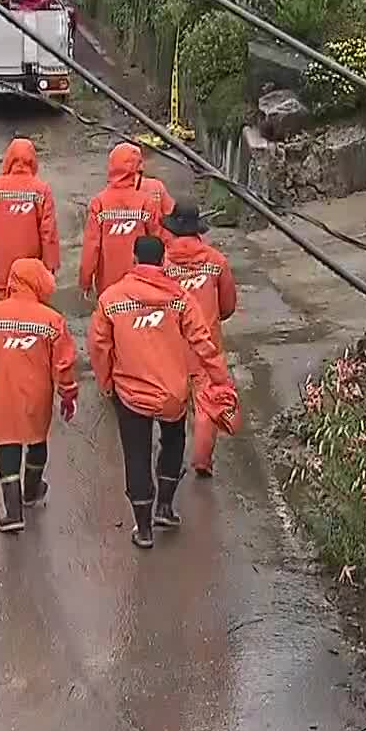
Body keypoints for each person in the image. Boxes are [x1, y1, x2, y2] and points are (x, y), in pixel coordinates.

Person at [89, 235, 234, 549]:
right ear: (162, 262)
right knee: (172, 442)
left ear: (135, 259)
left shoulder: (112, 299)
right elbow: (203, 342)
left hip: (130, 393)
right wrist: (222, 381)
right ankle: (165, 508)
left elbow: (100, 347)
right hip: (172, 392)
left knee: (136, 454)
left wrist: (106, 382)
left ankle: (143, 529)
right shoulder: (179, 298)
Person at [0, 257, 79, 532]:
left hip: (3, 392)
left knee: (7, 445)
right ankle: (32, 491)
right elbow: (64, 363)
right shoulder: (51, 320)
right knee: (36, 440)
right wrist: (68, 393)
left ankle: (13, 513)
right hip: (38, 394)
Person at [160, 200, 237, 477]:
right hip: (206, 344)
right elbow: (227, 305)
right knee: (207, 402)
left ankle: (170, 458)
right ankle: (202, 459)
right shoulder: (216, 262)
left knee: (173, 401)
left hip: (170, 343)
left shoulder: (163, 263)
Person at [0, 138, 59, 298]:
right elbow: (48, 232)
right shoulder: (41, 190)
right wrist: (49, 268)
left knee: (0, 315)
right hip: (30, 271)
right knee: (28, 314)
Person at [79, 143, 163, 300]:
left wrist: (86, 281)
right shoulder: (146, 202)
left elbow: (91, 247)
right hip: (142, 283)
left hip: (108, 285)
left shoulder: (100, 202)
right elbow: (158, 242)